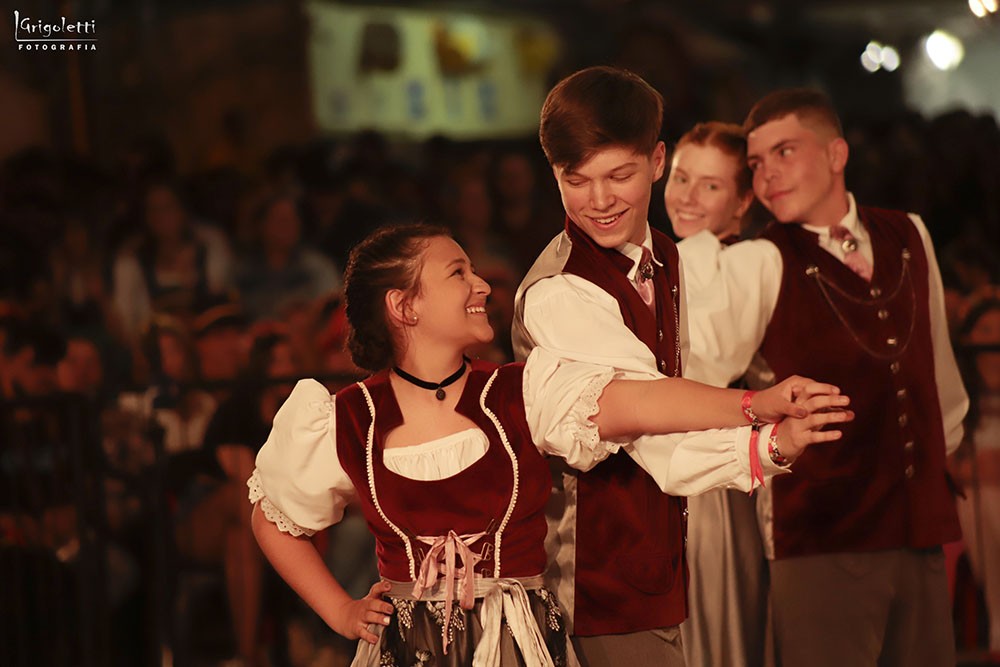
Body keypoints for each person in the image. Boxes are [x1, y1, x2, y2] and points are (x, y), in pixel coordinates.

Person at [249, 223, 848, 665]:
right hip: (408, 650)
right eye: (457, 272)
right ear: (404, 306)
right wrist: (340, 611)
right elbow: (273, 518)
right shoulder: (348, 418)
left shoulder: (521, 390)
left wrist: (754, 410)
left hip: (517, 645)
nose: (481, 283)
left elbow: (637, 401)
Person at [511, 67, 848, 666]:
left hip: (658, 570)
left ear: (656, 160)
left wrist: (775, 443)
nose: (600, 199)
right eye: (576, 180)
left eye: (620, 175)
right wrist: (758, 416)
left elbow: (668, 439)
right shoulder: (560, 290)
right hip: (588, 589)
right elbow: (644, 413)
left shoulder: (665, 256)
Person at [678, 88, 969, 666]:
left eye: (785, 152)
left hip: (918, 527)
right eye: (757, 165)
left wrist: (931, 467)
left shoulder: (909, 234)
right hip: (821, 537)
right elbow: (701, 368)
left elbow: (940, 377)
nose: (768, 176)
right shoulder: (760, 257)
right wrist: (698, 247)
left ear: (836, 154)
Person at [665, 122, 767, 667]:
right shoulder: (661, 261)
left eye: (710, 185)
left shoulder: (746, 261)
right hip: (664, 464)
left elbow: (710, 361)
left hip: (719, 466)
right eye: (680, 178)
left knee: (717, 628)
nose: (687, 196)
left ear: (744, 199)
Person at [952, 298, 1000, 657]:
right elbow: (940, 460)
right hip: (971, 498)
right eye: (985, 331)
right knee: (985, 501)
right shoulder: (959, 401)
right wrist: (973, 470)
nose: (994, 342)